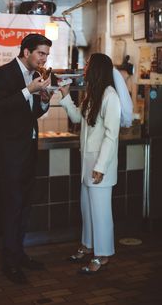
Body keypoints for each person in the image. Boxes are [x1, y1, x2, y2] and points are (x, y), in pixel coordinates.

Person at [0, 34, 53, 284]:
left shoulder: (37, 77)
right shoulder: (3, 73)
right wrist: (29, 90)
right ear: (26, 52)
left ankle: (19, 253)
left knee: (24, 208)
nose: (44, 59)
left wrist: (44, 100)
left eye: (46, 55)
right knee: (12, 208)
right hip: (9, 154)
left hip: (28, 152)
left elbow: (31, 113)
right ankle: (10, 263)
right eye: (41, 53)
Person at [59, 53, 121, 274]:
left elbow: (111, 136)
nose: (84, 68)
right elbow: (78, 119)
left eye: (87, 64)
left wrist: (100, 167)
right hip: (88, 163)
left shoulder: (110, 96)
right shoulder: (92, 94)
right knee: (87, 209)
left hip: (99, 166)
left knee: (101, 211)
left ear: (97, 69)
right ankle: (87, 245)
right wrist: (66, 96)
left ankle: (103, 254)